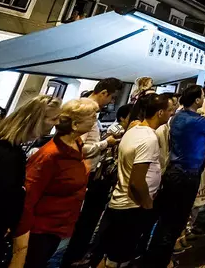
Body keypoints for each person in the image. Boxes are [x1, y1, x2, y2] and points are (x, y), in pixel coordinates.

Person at [143, 84, 205, 268]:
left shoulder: (179, 117)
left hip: (175, 173)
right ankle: (161, 261)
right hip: (186, 176)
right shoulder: (194, 122)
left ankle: (157, 257)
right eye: (202, 96)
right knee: (175, 221)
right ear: (197, 100)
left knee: (167, 220)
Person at [11, 99, 99, 268]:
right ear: (75, 124)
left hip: (59, 225)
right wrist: (21, 242)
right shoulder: (50, 156)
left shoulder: (77, 144)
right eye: (92, 116)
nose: (95, 120)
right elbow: (28, 198)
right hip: (41, 230)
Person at [96, 94, 172, 268]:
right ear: (160, 112)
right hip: (132, 205)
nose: (171, 115)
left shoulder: (134, 131)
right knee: (119, 258)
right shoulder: (148, 138)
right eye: (169, 111)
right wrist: (147, 203)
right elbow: (137, 181)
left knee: (113, 255)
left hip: (123, 202)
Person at [61, 78, 124, 268]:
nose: (111, 102)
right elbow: (78, 146)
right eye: (112, 97)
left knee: (85, 220)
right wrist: (106, 143)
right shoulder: (85, 111)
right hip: (84, 173)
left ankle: (74, 255)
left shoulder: (89, 110)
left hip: (88, 172)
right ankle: (72, 258)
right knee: (84, 220)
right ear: (104, 92)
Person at [0, 96, 61, 268]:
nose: (56, 123)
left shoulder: (7, 148)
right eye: (53, 118)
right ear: (37, 121)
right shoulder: (7, 154)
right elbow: (1, 196)